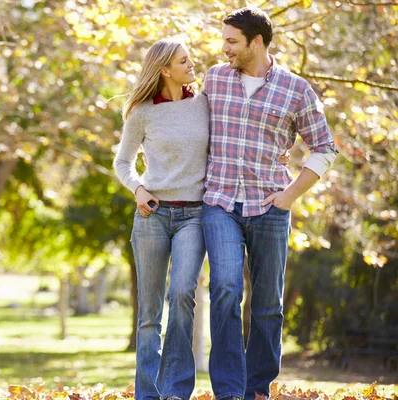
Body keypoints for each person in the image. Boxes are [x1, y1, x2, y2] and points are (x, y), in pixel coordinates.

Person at [201, 7, 339, 400]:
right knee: (226, 288)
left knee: (267, 304)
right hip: (220, 201)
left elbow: (324, 148)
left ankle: (255, 389)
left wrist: (290, 195)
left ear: (256, 42)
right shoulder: (214, 79)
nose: (223, 47)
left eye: (231, 41)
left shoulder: (296, 89)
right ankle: (228, 391)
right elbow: (189, 124)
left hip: (270, 205)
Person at [113, 38, 209, 400]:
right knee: (150, 313)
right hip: (152, 214)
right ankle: (148, 394)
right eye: (184, 61)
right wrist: (137, 188)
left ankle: (176, 391)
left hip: (195, 214)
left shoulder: (204, 104)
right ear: (165, 69)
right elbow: (123, 162)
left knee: (183, 293)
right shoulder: (142, 112)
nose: (192, 64)